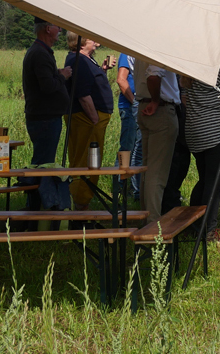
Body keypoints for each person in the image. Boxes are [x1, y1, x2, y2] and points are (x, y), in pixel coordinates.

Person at [181, 65, 220, 241]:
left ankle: (195, 223)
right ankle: (209, 230)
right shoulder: (212, 68)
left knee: (205, 180)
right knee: (214, 183)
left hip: (197, 132)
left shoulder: (187, 70)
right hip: (217, 132)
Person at [21, 17, 72, 210]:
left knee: (42, 162)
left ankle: (38, 207)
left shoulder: (40, 52)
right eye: (57, 26)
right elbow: (48, 86)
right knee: (42, 165)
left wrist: (55, 74)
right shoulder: (40, 54)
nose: (60, 29)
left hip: (44, 117)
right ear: (48, 29)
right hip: (45, 119)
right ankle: (38, 209)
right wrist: (62, 75)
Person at [63, 32, 114, 211]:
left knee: (90, 160)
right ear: (82, 42)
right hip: (86, 120)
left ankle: (82, 201)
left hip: (91, 119)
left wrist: (103, 70)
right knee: (85, 161)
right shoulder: (79, 60)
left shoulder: (86, 60)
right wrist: (94, 118)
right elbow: (83, 94)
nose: (95, 40)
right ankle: (80, 204)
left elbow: (92, 84)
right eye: (91, 37)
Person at [136, 58, 181, 219]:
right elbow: (153, 76)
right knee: (157, 173)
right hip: (160, 109)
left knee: (147, 169)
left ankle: (146, 217)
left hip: (145, 105)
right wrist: (155, 100)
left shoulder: (141, 42)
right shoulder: (159, 41)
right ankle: (152, 225)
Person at [115, 53, 143, 200]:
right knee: (127, 148)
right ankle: (119, 187)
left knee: (136, 148)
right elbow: (121, 79)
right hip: (129, 107)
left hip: (136, 106)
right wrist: (134, 103)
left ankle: (131, 187)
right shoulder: (127, 53)